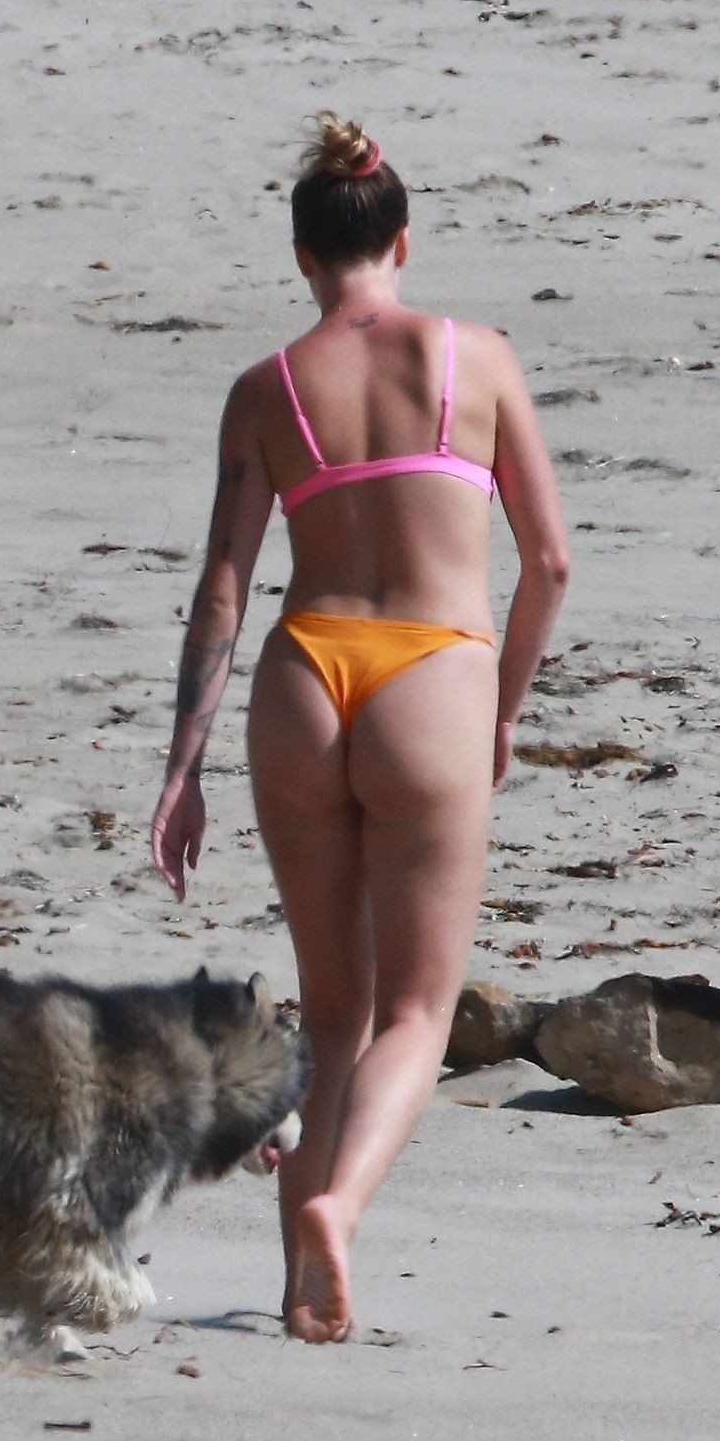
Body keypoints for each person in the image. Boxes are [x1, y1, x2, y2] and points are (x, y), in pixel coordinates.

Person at [148, 113, 570, 1344]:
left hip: (303, 677)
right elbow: (549, 562)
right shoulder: (477, 360)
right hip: (433, 674)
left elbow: (222, 591)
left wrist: (182, 770)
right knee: (416, 1017)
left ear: (302, 256)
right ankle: (337, 1208)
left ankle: (301, 1288)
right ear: (404, 239)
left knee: (331, 1015)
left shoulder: (265, 390)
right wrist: (502, 707)